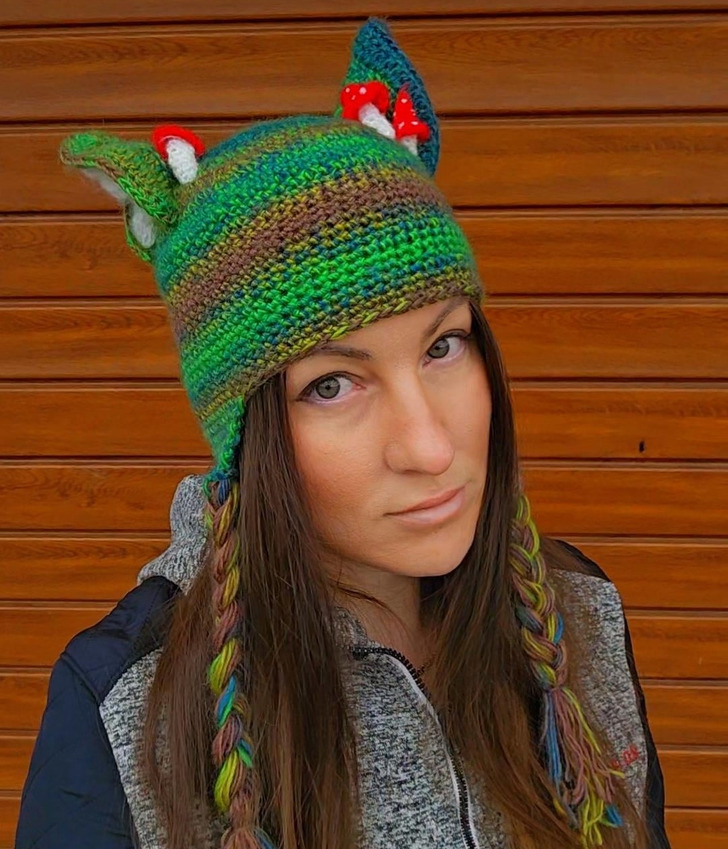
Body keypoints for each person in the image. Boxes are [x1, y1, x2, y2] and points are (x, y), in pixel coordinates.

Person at [14, 16, 671, 849]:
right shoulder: (124, 703)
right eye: (332, 385)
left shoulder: (580, 617)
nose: (430, 447)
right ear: (246, 432)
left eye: (443, 346)